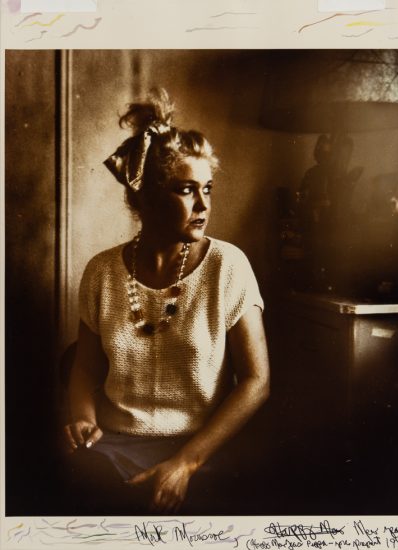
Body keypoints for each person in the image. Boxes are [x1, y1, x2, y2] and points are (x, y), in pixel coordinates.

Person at [62, 88, 270, 515]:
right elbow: (84, 367)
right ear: (148, 197)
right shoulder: (102, 271)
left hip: (203, 449)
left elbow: (256, 382)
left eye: (207, 188)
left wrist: (186, 463)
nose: (203, 204)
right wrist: (83, 417)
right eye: (186, 190)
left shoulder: (228, 266)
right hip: (115, 446)